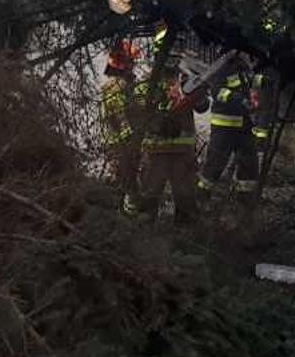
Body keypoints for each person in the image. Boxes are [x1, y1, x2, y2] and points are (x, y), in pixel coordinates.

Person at [133, 64, 202, 222]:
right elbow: (138, 110)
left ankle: (183, 237)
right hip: (159, 152)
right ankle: (143, 235)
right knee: (150, 193)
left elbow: (202, 106)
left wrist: (195, 89)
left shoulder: (187, 82)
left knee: (184, 196)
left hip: (179, 152)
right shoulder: (148, 84)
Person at [198, 60, 261, 194]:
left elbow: (249, 80)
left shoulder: (242, 67)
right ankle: (202, 195)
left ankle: (245, 197)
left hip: (244, 125)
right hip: (224, 126)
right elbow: (217, 92)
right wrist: (238, 99)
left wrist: (266, 81)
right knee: (216, 163)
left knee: (249, 162)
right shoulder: (222, 68)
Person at [99, 41, 139, 190]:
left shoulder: (124, 84)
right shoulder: (116, 85)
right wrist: (129, 134)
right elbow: (116, 111)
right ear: (124, 63)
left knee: (128, 178)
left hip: (122, 139)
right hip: (120, 141)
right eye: (131, 61)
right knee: (121, 178)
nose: (133, 65)